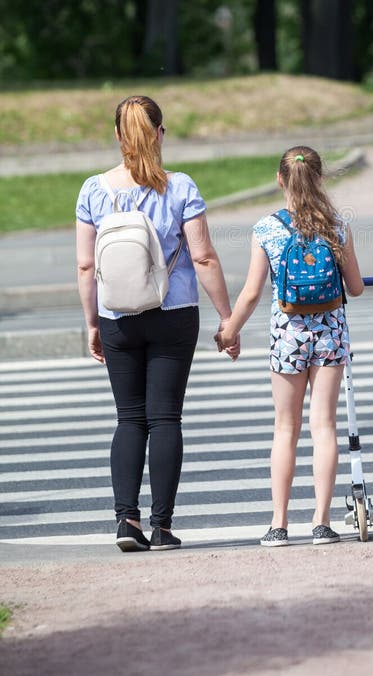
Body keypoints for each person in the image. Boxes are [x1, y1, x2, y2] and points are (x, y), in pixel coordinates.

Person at [75, 95, 239, 553]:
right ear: (160, 134)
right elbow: (203, 255)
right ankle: (162, 526)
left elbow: (87, 267)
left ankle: (126, 520)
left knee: (129, 419)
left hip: (117, 316)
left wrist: (92, 321)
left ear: (116, 137)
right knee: (165, 417)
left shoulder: (92, 190)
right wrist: (228, 317)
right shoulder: (181, 187)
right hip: (174, 312)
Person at [215, 146, 364, 547]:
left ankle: (278, 524)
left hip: (287, 336)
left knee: (285, 428)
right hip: (330, 332)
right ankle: (321, 522)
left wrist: (229, 331)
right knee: (324, 427)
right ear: (320, 178)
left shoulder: (267, 228)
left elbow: (250, 293)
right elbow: (356, 287)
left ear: (280, 180)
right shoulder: (337, 225)